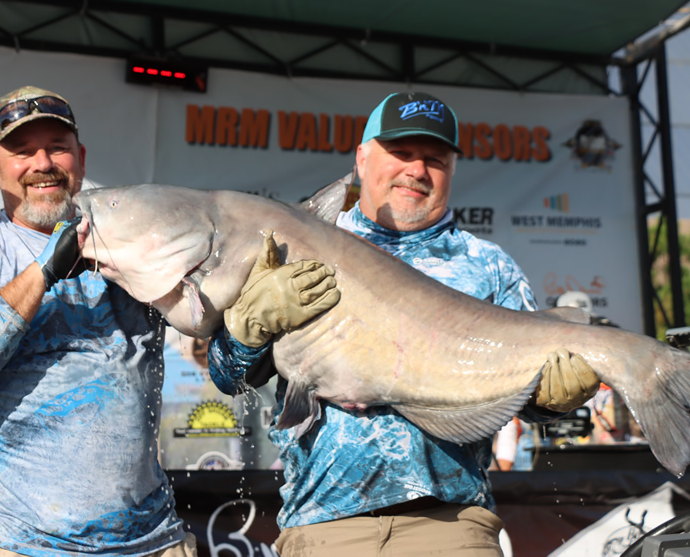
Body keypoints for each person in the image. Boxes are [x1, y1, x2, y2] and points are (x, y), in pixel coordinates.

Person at [0, 86, 337, 557]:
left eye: (57, 146)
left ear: (81, 157)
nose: (42, 162)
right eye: (21, 151)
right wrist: (45, 270)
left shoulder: (134, 242)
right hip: (15, 541)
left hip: (150, 541)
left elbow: (227, 371)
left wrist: (248, 330)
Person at [208, 92, 602, 557]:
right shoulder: (293, 245)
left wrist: (553, 399)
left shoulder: (489, 266)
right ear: (361, 158)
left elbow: (528, 401)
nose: (417, 170)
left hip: (452, 526)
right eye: (401, 153)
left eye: (434, 159)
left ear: (451, 170)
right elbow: (229, 376)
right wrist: (247, 328)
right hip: (325, 527)